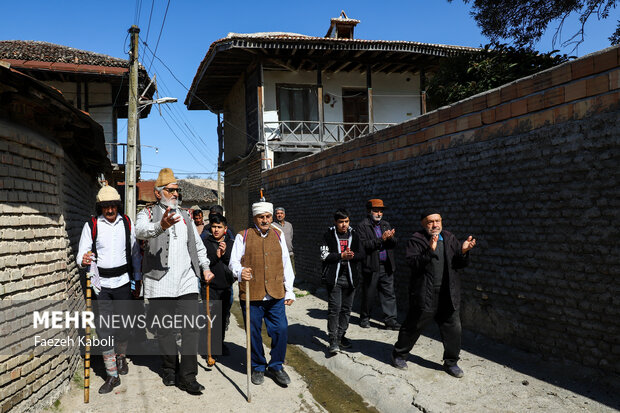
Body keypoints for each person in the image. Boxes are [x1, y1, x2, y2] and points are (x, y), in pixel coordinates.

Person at [135, 168, 214, 395]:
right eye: (170, 190)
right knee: (165, 330)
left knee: (191, 330)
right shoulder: (148, 214)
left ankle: (188, 377)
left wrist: (206, 268)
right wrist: (162, 226)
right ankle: (170, 367)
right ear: (159, 193)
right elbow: (140, 232)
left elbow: (197, 246)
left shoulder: (187, 215)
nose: (175, 194)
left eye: (177, 190)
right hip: (160, 282)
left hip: (187, 281)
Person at [391, 210, 476, 378]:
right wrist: (429, 250)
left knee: (453, 328)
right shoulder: (417, 240)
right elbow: (413, 264)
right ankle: (399, 354)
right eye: (430, 222)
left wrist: (464, 251)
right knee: (414, 325)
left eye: (437, 221)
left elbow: (458, 264)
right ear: (423, 224)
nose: (435, 225)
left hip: (448, 292)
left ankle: (451, 362)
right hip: (425, 292)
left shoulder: (450, 238)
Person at [77, 185, 142, 394]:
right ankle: (112, 375)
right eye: (106, 207)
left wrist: (138, 279)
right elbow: (81, 255)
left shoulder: (127, 224)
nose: (110, 210)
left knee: (123, 326)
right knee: (104, 329)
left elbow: (135, 255)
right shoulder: (92, 225)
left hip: (123, 282)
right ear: (100, 207)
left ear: (118, 206)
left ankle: (121, 357)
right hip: (101, 286)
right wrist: (84, 259)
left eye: (113, 206)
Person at [229, 201, 295, 386]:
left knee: (281, 329)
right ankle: (258, 366)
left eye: (268, 216)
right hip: (252, 294)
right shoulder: (244, 236)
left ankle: (276, 365)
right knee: (254, 333)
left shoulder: (278, 234)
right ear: (255, 218)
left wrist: (289, 290)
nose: (265, 220)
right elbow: (233, 263)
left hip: (275, 293)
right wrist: (240, 271)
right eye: (261, 217)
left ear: (272, 217)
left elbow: (286, 264)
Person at [320, 208, 365, 355]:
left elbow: (362, 254)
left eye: (346, 221)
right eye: (341, 222)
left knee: (347, 309)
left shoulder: (354, 235)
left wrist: (352, 255)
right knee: (335, 309)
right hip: (334, 278)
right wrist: (341, 256)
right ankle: (332, 339)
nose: (344, 225)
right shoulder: (328, 235)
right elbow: (324, 255)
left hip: (351, 278)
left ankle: (341, 335)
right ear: (335, 222)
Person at [357, 199, 400, 330]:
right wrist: (382, 239)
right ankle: (365, 318)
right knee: (369, 293)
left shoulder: (385, 224)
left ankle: (390, 320)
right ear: (369, 211)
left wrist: (391, 238)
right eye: (376, 211)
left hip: (386, 265)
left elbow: (393, 244)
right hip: (371, 265)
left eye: (381, 211)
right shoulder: (362, 226)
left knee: (389, 293)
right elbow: (364, 245)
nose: (379, 213)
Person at [201, 213, 235, 355]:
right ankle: (208, 346)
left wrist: (225, 252)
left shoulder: (231, 243)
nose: (216, 230)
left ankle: (219, 344)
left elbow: (233, 263)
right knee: (210, 317)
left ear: (225, 229)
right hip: (210, 287)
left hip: (226, 287)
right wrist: (216, 255)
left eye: (219, 227)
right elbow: (203, 262)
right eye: (214, 227)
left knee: (222, 318)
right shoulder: (205, 243)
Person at [273, 207, 295, 273]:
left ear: (284, 215)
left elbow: (291, 237)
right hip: (279, 255)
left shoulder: (289, 225)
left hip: (289, 254)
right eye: (278, 213)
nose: (280, 215)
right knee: (280, 274)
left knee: (291, 273)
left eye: (281, 213)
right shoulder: (272, 226)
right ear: (275, 215)